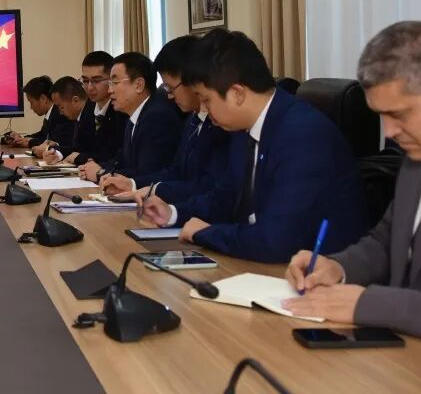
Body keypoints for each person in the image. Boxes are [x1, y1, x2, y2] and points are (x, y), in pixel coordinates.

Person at [284, 21, 421, 349]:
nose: (389, 131)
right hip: (407, 354)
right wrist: (339, 266)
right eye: (381, 115)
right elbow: (389, 240)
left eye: (399, 114)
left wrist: (375, 305)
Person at [138, 29, 366, 263]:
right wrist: (173, 213)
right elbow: (226, 197)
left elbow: (276, 239)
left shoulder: (303, 135)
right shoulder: (243, 130)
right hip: (260, 263)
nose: (203, 108)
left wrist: (205, 233)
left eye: (206, 99)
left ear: (237, 93)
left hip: (311, 273)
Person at [101, 35, 231, 203]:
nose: (169, 96)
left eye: (170, 87)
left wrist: (157, 194)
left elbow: (207, 187)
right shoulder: (193, 120)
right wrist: (132, 184)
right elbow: (175, 171)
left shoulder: (220, 124)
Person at [80, 52, 181, 182]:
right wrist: (95, 168)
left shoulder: (158, 117)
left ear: (139, 85)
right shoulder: (135, 116)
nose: (110, 90)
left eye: (115, 82)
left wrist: (101, 173)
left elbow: (148, 173)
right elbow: (121, 160)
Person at [40, 51, 127, 166]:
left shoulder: (122, 110)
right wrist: (57, 153)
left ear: (111, 80)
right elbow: (79, 148)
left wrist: (81, 158)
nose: (90, 87)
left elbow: (115, 156)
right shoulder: (89, 107)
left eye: (96, 81)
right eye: (85, 81)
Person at [6, 75, 74, 149]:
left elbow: (54, 141)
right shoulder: (51, 113)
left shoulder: (60, 114)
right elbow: (42, 135)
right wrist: (21, 138)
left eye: (31, 102)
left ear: (43, 99)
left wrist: (30, 142)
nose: (31, 107)